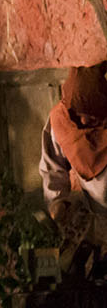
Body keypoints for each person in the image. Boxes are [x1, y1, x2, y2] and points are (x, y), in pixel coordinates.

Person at [40, 61, 107, 276]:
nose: (85, 121)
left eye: (93, 117)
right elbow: (52, 169)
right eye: (79, 115)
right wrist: (57, 203)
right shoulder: (61, 123)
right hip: (93, 216)